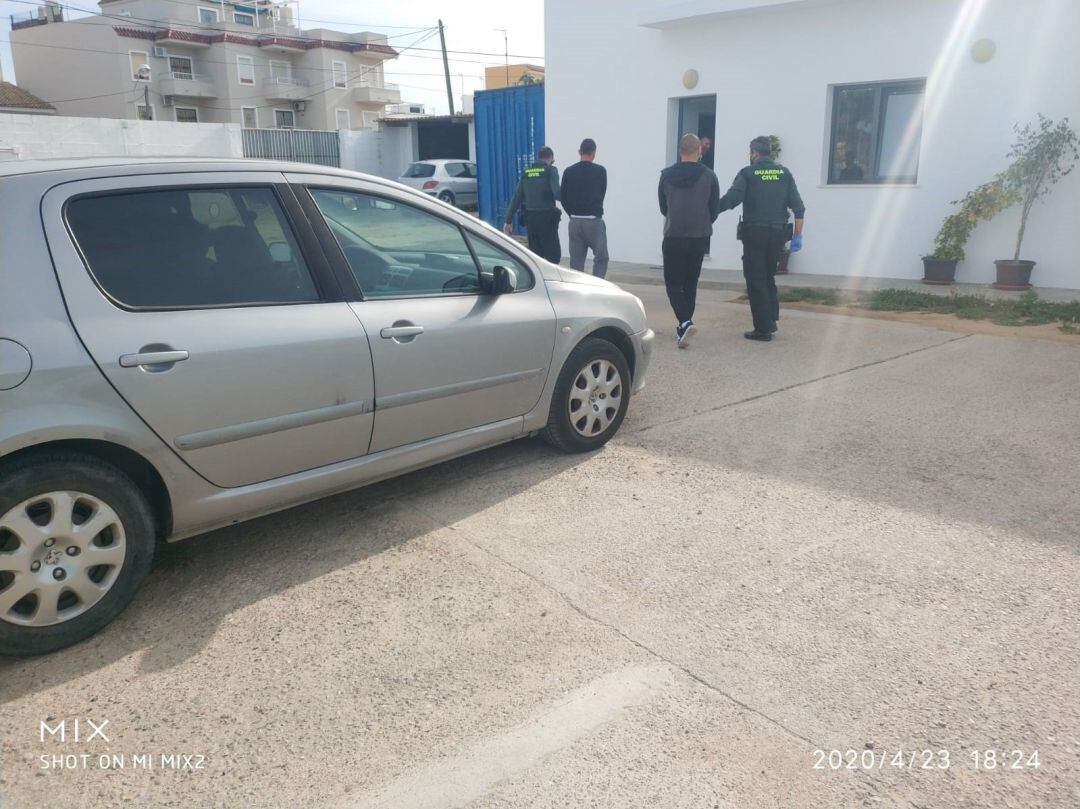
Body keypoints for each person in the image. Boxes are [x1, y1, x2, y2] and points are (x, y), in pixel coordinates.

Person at [717, 135, 806, 341]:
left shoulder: (748, 173)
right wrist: (797, 236)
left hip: (755, 234)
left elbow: (732, 199)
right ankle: (771, 318)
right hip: (778, 234)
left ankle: (763, 329)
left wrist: (709, 210)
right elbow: (799, 208)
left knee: (755, 279)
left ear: (754, 153)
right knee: (768, 276)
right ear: (769, 152)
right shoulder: (784, 173)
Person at [657, 132, 721, 348]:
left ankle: (684, 322)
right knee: (690, 282)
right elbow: (714, 209)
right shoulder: (709, 176)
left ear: (680, 151)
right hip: (699, 236)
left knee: (673, 284)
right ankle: (684, 325)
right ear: (700, 150)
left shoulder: (666, 175)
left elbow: (663, 207)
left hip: (674, 235)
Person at [560, 138, 609, 278]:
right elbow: (602, 193)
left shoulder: (568, 171)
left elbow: (563, 197)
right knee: (601, 258)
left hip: (574, 221)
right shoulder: (600, 171)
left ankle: (578, 290)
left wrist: (572, 213)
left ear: (579, 152)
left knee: (576, 261)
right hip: (593, 221)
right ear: (594, 153)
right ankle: (596, 287)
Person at [504, 146, 561, 263]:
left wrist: (508, 220)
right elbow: (557, 194)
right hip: (547, 220)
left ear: (538, 157)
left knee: (536, 258)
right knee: (553, 257)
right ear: (550, 158)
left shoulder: (527, 172)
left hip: (531, 221)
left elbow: (516, 197)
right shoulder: (551, 170)